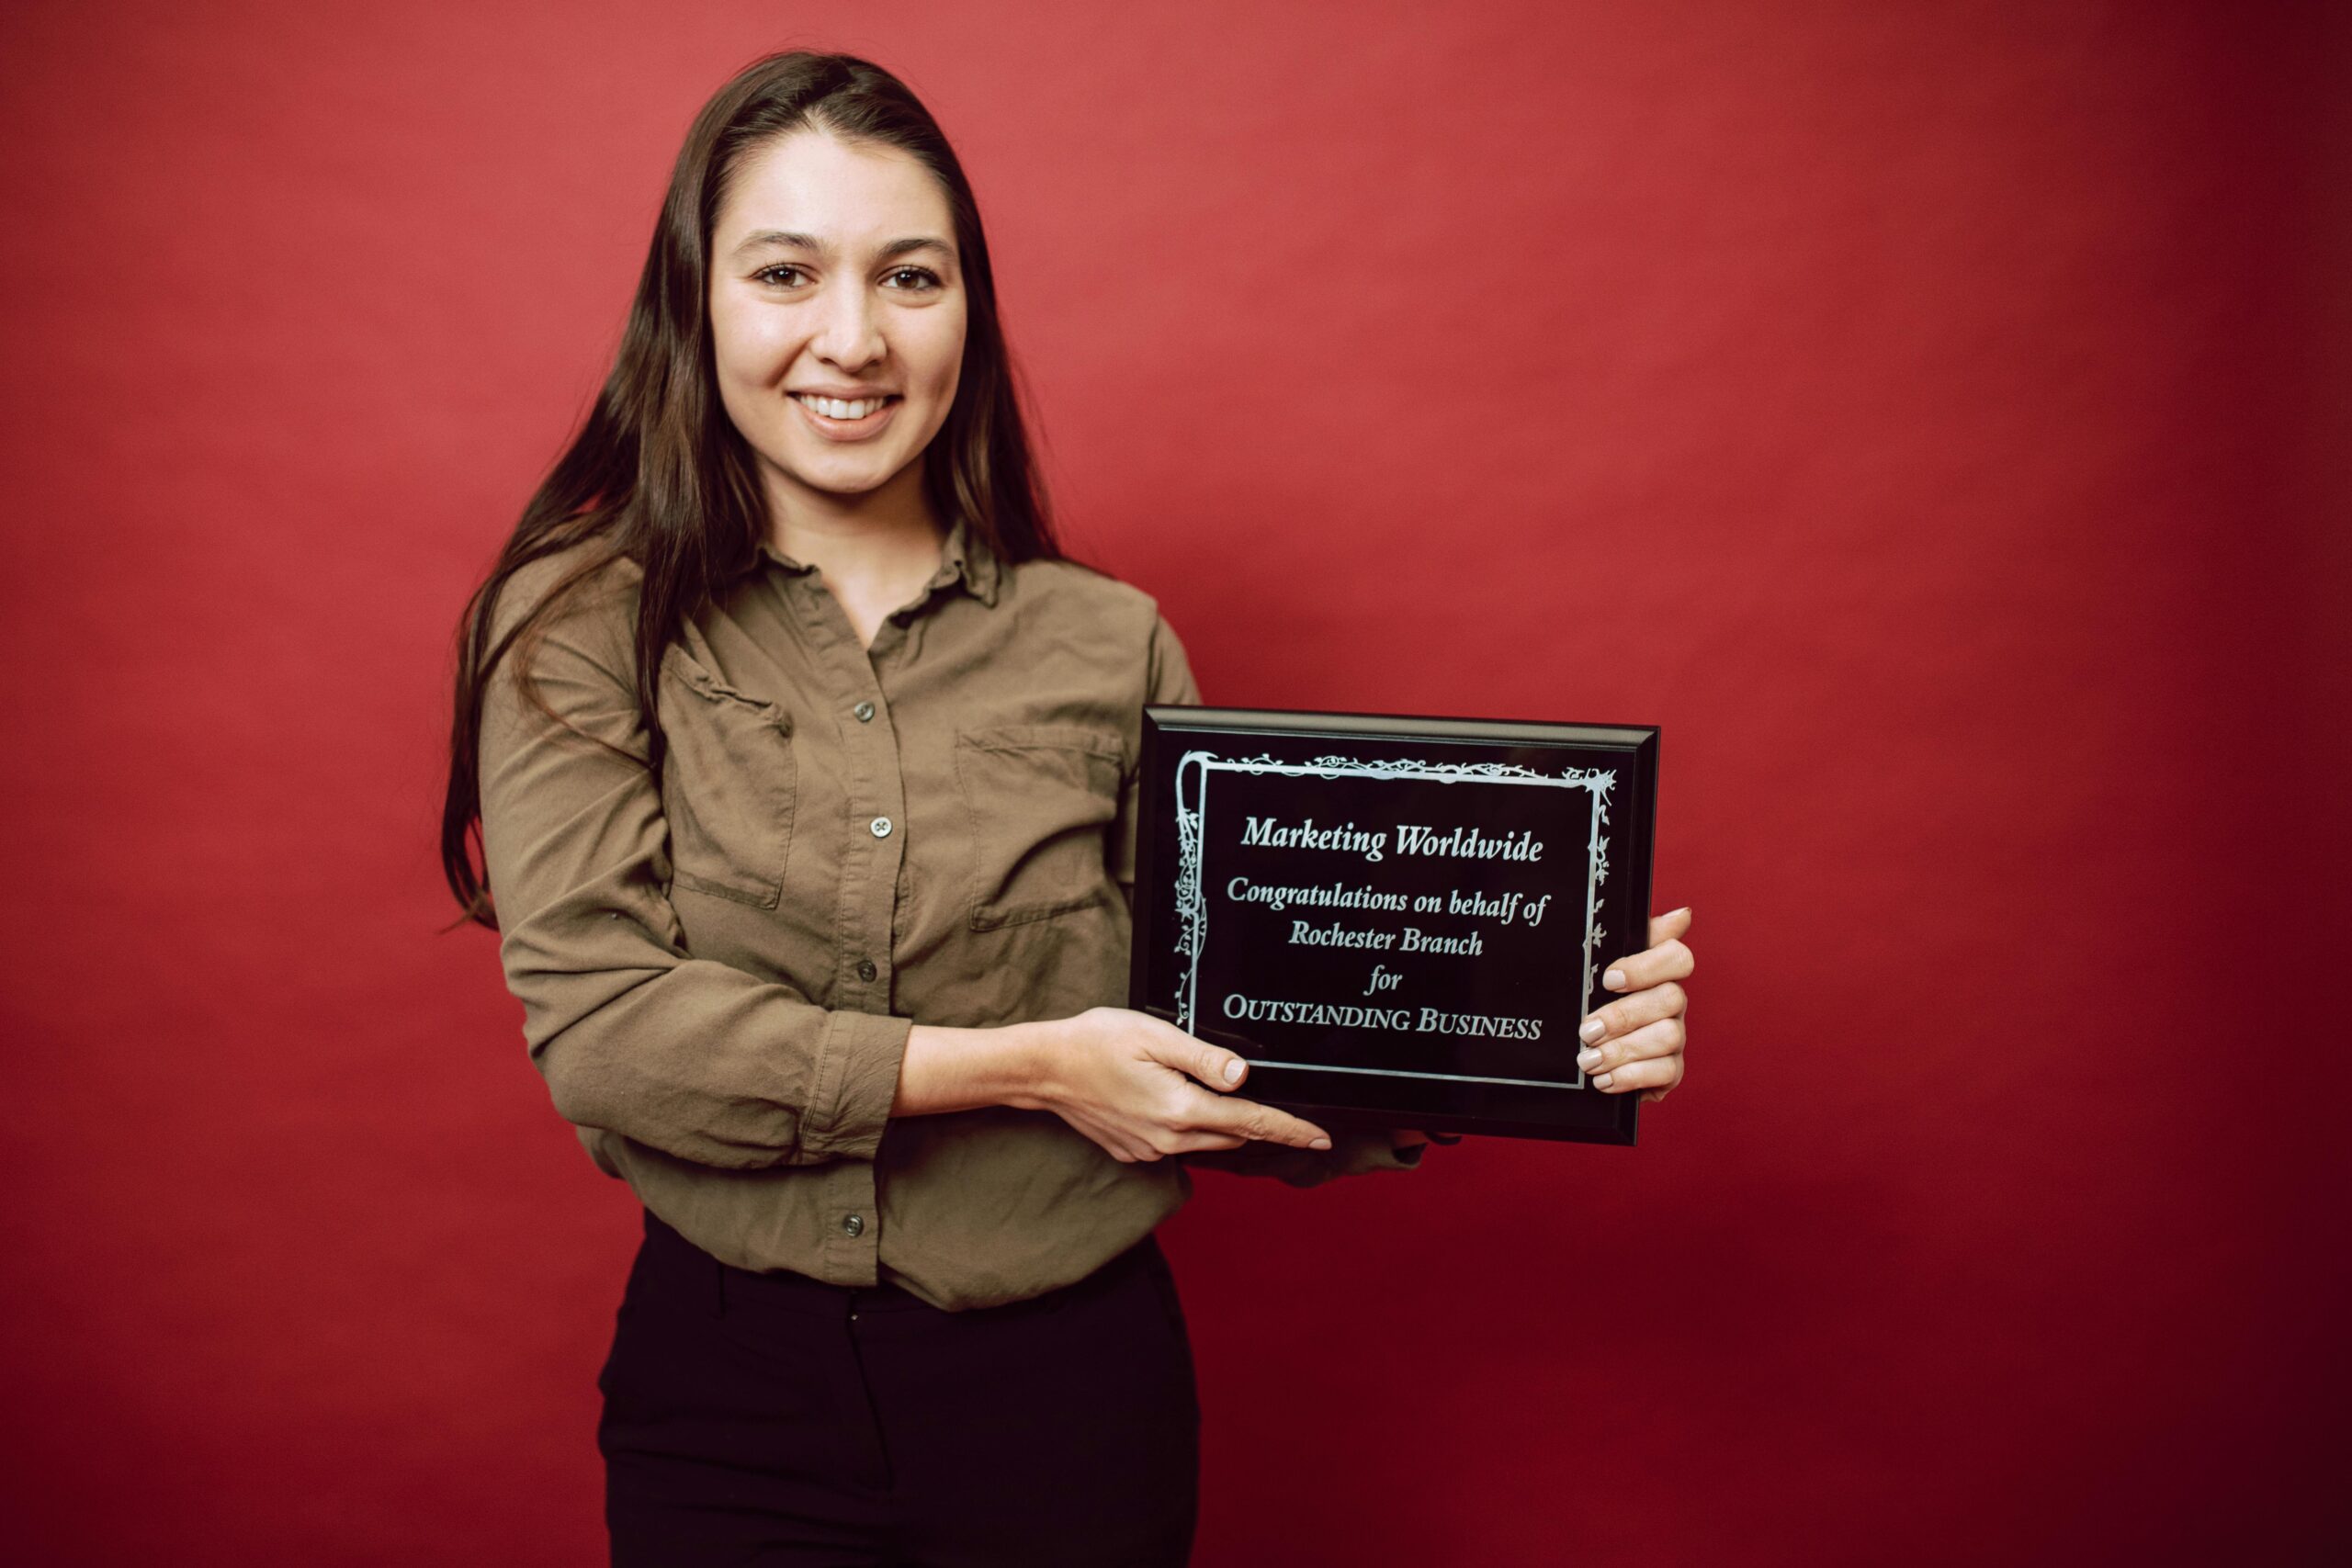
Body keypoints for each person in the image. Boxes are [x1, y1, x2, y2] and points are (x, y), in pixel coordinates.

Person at [438, 49, 1692, 1567]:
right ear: (695, 305)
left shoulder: (1113, 644)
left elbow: (1204, 1047)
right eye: (784, 272)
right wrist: (1027, 1068)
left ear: (970, 305)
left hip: (1072, 1406)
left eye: (912, 276)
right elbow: (609, 1034)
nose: (854, 337)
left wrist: (1516, 1033)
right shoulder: (576, 622)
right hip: (730, 1402)